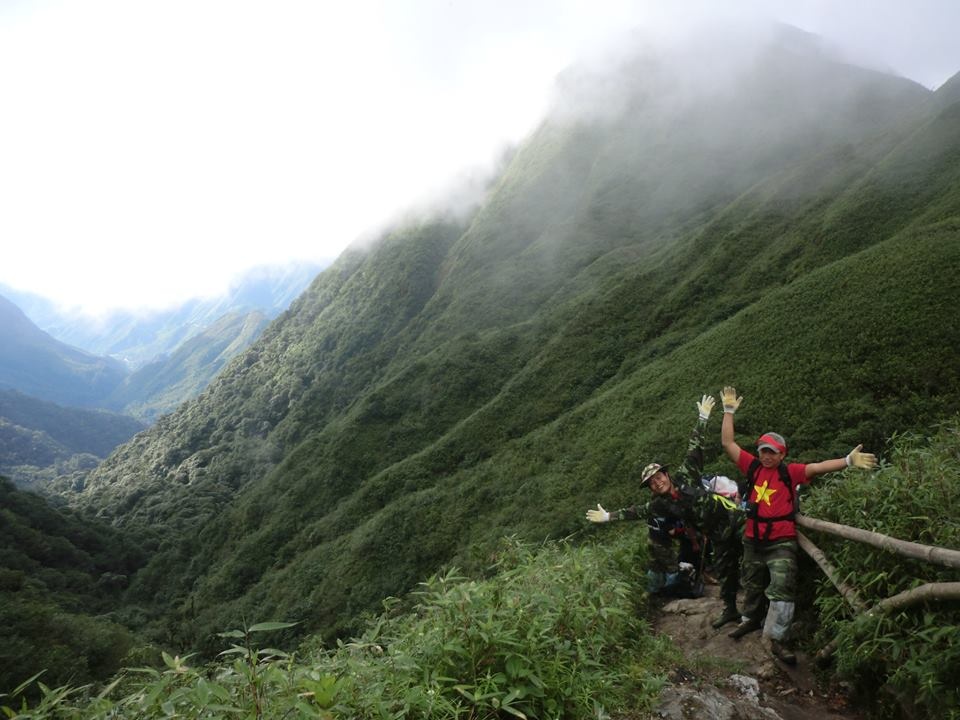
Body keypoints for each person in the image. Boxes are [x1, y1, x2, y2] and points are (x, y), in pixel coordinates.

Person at [719, 385, 878, 665]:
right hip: (753, 538)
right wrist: (728, 412)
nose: (767, 456)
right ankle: (749, 620)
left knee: (782, 588)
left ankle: (778, 639)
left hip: (781, 540)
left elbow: (816, 467)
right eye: (764, 450)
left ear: (782, 455)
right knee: (752, 583)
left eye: (773, 452)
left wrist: (847, 461)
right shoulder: (753, 467)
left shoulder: (788, 472)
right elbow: (728, 445)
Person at [585, 394, 716, 597]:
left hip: (717, 521)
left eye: (658, 477)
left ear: (666, 474)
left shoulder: (686, 475)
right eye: (652, 483)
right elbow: (636, 512)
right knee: (693, 553)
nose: (657, 483)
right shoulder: (660, 504)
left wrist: (703, 419)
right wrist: (608, 516)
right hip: (695, 533)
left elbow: (694, 446)